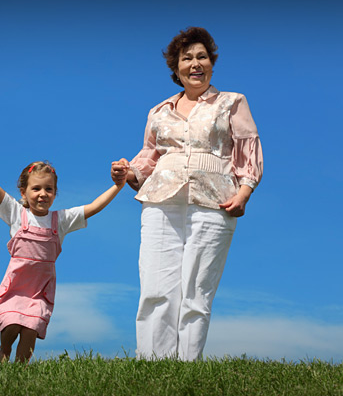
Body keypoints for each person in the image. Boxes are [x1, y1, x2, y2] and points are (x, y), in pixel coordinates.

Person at [112, 26, 264, 361]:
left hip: (215, 200)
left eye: (202, 57)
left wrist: (244, 191)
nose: (195, 64)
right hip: (160, 200)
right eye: (187, 58)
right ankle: (152, 363)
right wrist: (129, 172)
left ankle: (186, 366)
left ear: (211, 63)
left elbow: (248, 148)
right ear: (175, 68)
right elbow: (149, 156)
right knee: (156, 285)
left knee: (197, 290)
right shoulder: (159, 111)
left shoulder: (232, 102)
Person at [0, 154, 129, 363]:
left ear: (55, 193)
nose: (43, 194)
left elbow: (94, 207)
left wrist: (118, 186)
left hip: (40, 291)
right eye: (36, 188)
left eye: (49, 189)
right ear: (23, 192)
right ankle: (4, 351)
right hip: (16, 287)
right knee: (11, 325)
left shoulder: (60, 220)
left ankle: (20, 371)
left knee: (31, 329)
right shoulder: (16, 214)